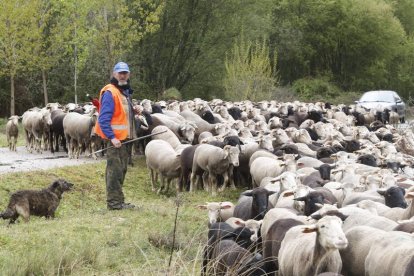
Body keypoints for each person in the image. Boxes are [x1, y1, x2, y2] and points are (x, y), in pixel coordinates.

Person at [95, 61, 137, 210]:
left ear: (129, 74)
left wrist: (134, 111)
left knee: (121, 171)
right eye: (120, 73)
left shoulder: (123, 92)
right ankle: (113, 204)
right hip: (116, 141)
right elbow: (104, 118)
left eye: (125, 72)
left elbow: (121, 114)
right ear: (114, 74)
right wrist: (112, 137)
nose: (123, 75)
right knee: (114, 172)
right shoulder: (110, 92)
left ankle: (119, 201)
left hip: (124, 139)